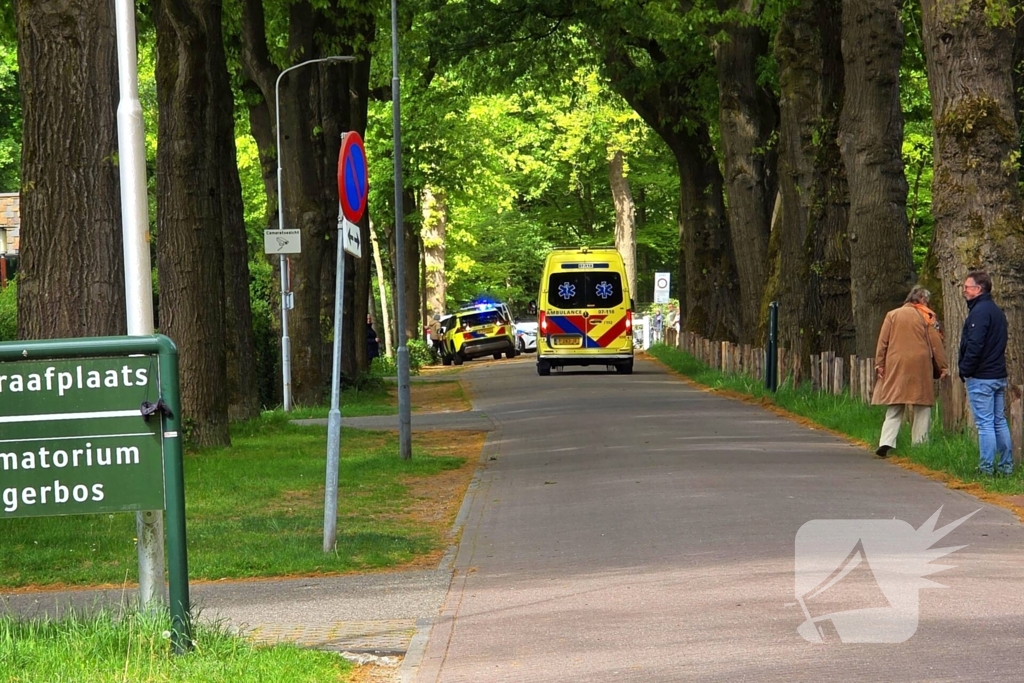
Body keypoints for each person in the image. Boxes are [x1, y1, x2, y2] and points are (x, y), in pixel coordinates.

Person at [871, 286, 948, 457]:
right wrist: (942, 366)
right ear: (921, 299)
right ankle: (919, 445)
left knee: (895, 403)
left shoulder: (892, 314)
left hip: (896, 363)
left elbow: (883, 341)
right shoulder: (926, 315)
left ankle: (886, 441)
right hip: (920, 364)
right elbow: (935, 343)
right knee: (922, 405)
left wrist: (879, 363)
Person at [959, 270, 1012, 476]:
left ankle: (986, 468)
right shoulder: (996, 311)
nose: (964, 290)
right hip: (997, 374)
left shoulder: (980, 313)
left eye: (967, 287)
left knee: (985, 424)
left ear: (978, 289)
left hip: (982, 376)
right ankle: (1006, 466)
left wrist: (965, 369)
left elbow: (975, 344)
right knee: (999, 421)